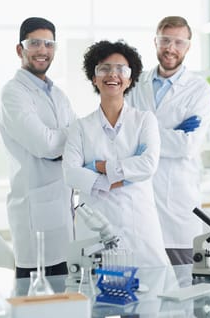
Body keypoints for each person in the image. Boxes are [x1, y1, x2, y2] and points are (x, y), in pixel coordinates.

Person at [62, 40, 169, 267]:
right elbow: (70, 173)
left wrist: (99, 167)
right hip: (95, 226)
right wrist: (123, 176)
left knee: (150, 291)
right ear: (94, 77)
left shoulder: (144, 120)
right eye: (104, 68)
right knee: (94, 293)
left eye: (121, 69)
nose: (113, 74)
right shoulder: (80, 127)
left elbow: (148, 164)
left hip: (138, 224)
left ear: (130, 79)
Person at [126, 16, 210, 265]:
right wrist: (170, 134)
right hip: (139, 203)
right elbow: (123, 137)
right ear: (155, 42)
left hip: (178, 206)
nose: (170, 48)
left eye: (178, 42)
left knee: (183, 290)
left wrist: (143, 136)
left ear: (188, 46)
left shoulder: (199, 90)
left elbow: (187, 146)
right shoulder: (134, 84)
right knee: (146, 290)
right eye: (165, 40)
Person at [0, 17, 76, 278]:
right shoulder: (13, 93)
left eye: (49, 44)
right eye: (34, 43)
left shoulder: (58, 95)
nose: (43, 50)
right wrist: (69, 138)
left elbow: (80, 144)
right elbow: (46, 145)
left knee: (67, 305)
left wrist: (64, 140)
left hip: (64, 217)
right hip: (35, 219)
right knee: (36, 304)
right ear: (20, 49)